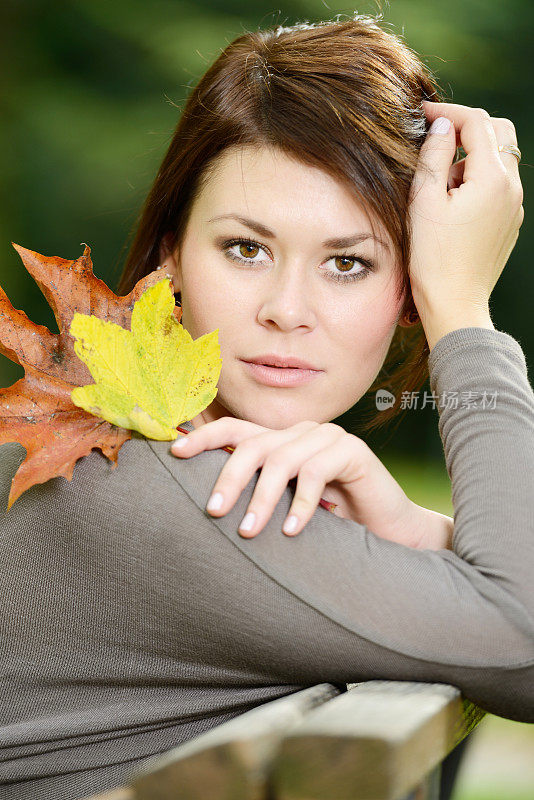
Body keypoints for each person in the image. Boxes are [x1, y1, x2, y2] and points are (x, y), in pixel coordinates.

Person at [0, 14, 531, 800]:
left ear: (405, 293)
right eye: (246, 248)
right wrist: (464, 310)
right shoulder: (160, 482)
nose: (287, 309)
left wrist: (413, 530)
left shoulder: (184, 467)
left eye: (347, 262)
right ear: (172, 255)